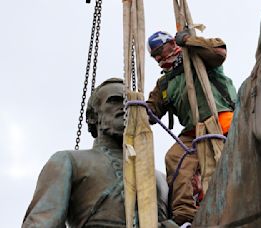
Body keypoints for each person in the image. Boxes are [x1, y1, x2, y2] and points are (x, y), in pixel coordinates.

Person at [22, 78, 172, 227]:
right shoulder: (69, 161)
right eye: (115, 100)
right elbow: (41, 222)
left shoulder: (163, 180)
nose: (126, 105)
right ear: (93, 116)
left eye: (130, 101)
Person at [146, 30, 237, 225]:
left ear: (172, 43)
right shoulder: (166, 82)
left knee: (233, 162)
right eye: (155, 55)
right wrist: (139, 110)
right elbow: (152, 109)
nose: (159, 57)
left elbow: (219, 52)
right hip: (194, 131)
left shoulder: (197, 57)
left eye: (161, 50)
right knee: (175, 158)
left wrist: (189, 41)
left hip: (222, 121)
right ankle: (185, 213)